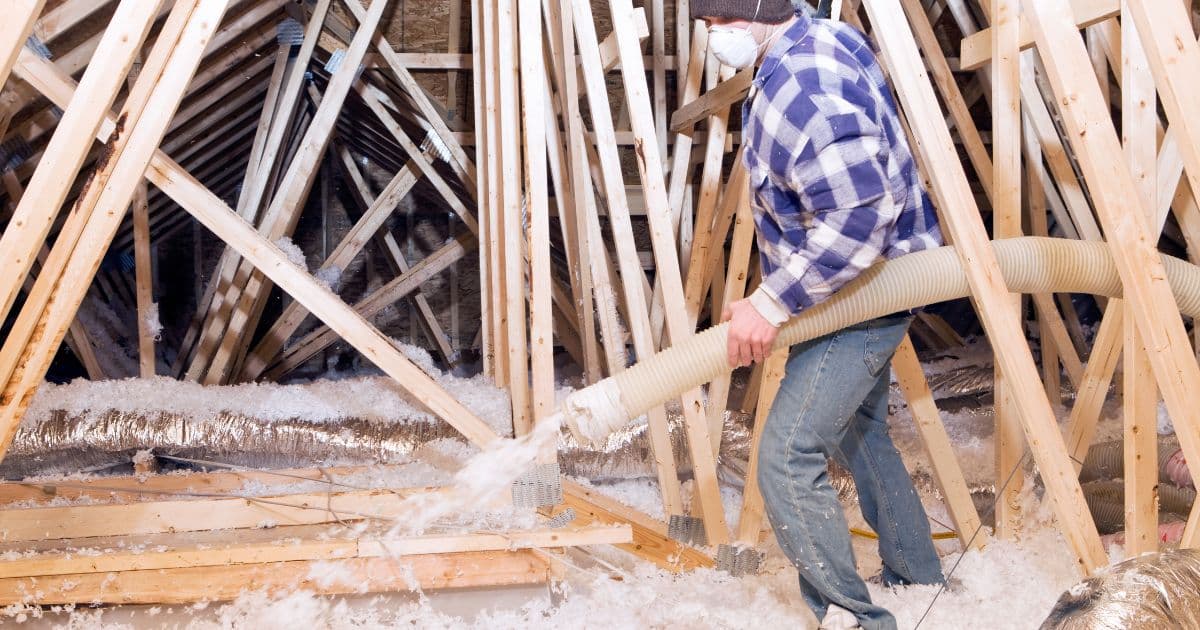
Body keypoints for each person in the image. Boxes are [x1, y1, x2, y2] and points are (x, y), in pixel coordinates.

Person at [694, 1, 947, 628]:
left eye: (716, 23)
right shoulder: (820, 39)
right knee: (861, 433)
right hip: (849, 289)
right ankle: (916, 577)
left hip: (861, 296)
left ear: (751, 11)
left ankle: (856, 619)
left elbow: (859, 219)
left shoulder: (802, 85)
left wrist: (774, 301)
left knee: (786, 456)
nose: (711, 38)